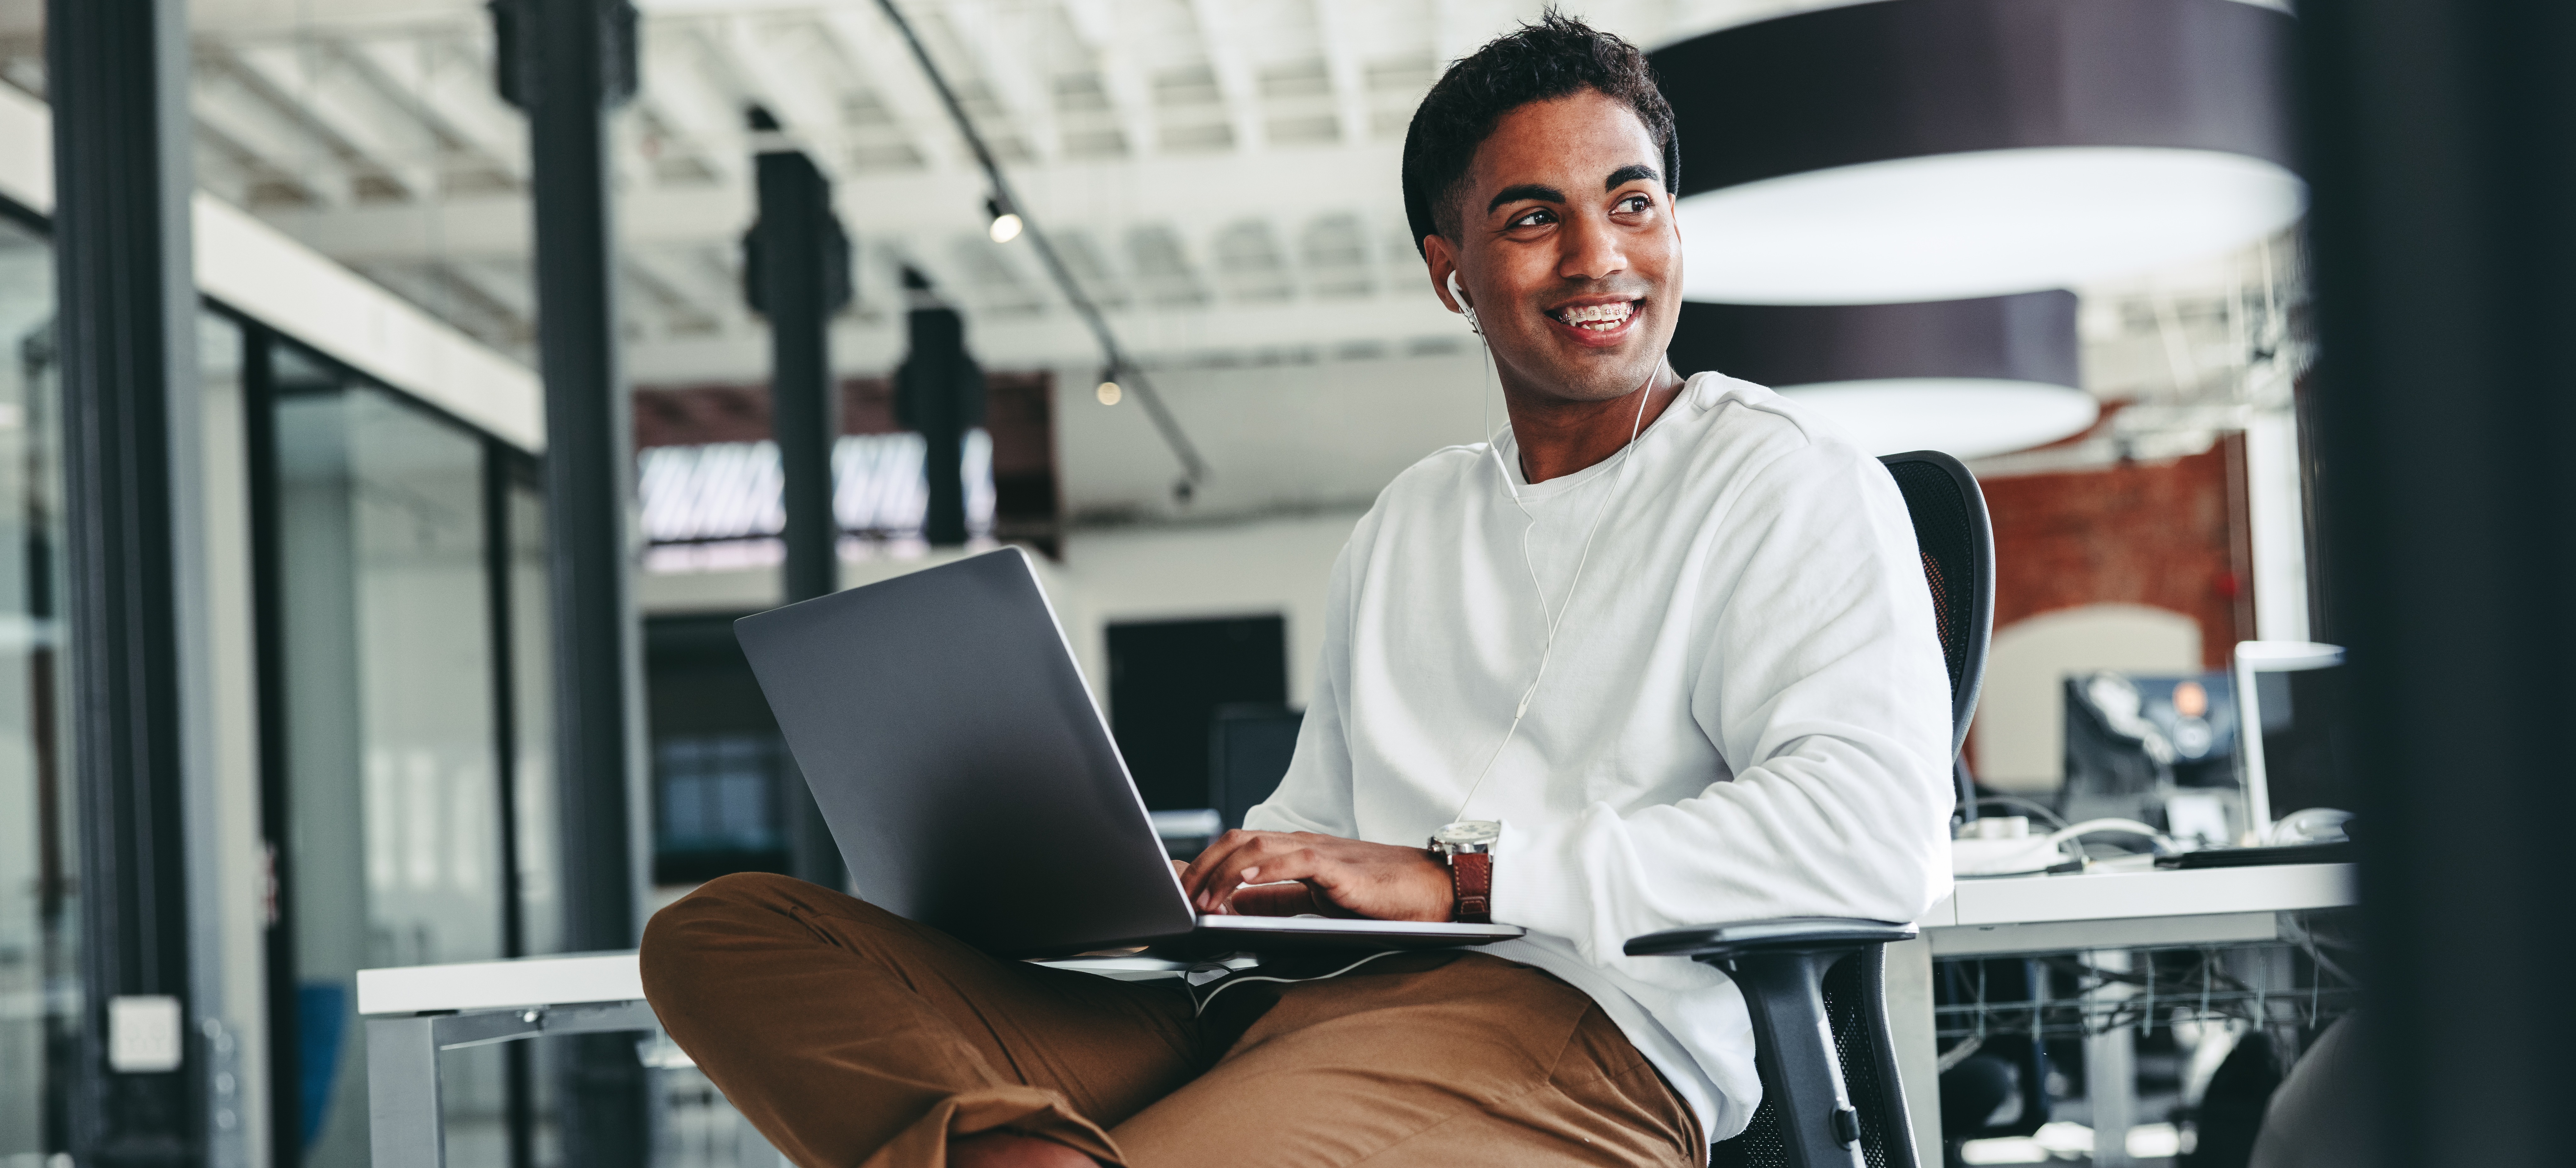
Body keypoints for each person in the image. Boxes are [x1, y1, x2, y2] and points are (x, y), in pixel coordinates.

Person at [639, 11, 1951, 1167]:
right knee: (725, 933)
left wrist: (1460, 877)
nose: (1597, 255)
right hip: (1269, 1009)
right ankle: (1020, 1147)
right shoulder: (1411, 520)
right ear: (1451, 271)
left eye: (1632, 201)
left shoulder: (1784, 480)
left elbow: (1874, 841)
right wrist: (1218, 879)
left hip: (1570, 1038)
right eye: (1531, 216)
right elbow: (1326, 818)